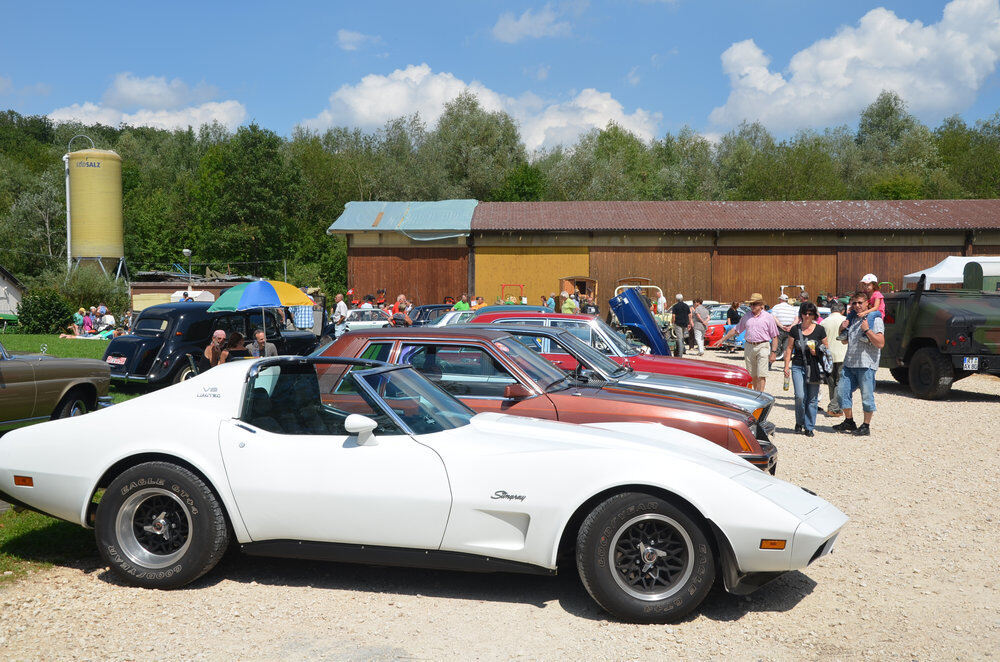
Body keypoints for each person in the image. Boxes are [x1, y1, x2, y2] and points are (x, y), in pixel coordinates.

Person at [833, 291, 886, 436]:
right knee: (841, 392)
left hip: (866, 364)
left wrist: (867, 330)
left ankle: (866, 425)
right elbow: (844, 341)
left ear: (867, 303)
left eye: (860, 303)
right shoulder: (853, 319)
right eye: (854, 303)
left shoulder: (874, 320)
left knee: (867, 396)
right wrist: (841, 328)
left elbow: (880, 343)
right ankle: (849, 421)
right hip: (850, 363)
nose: (857, 306)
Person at [783, 302, 829, 436]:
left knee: (813, 398)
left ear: (814, 315)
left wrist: (818, 352)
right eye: (805, 313)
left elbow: (827, 349)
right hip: (797, 365)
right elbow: (789, 348)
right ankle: (800, 421)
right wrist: (786, 366)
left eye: (810, 313)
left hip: (814, 366)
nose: (807, 316)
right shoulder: (795, 329)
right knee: (800, 396)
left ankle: (809, 427)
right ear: (801, 314)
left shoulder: (820, 330)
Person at [718, 292, 780, 391]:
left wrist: (773, 352)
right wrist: (722, 339)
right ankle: (755, 394)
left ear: (761, 305)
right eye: (751, 304)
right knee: (752, 375)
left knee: (762, 374)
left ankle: (760, 395)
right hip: (749, 346)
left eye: (754, 304)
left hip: (763, 346)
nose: (752, 306)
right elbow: (736, 329)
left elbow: (775, 336)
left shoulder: (768, 317)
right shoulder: (746, 316)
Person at [819, 300, 848, 417]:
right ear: (843, 310)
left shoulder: (824, 322)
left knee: (831, 383)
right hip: (843, 355)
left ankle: (835, 407)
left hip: (828, 356)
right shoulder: (845, 321)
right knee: (840, 382)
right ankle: (834, 407)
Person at [770, 294, 798, 365]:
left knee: (775, 347)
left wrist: (781, 326)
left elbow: (774, 317)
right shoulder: (792, 308)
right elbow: (796, 319)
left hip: (779, 329)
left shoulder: (776, 307)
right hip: (790, 329)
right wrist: (791, 326)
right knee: (787, 348)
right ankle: (786, 365)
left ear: (780, 300)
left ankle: (770, 363)